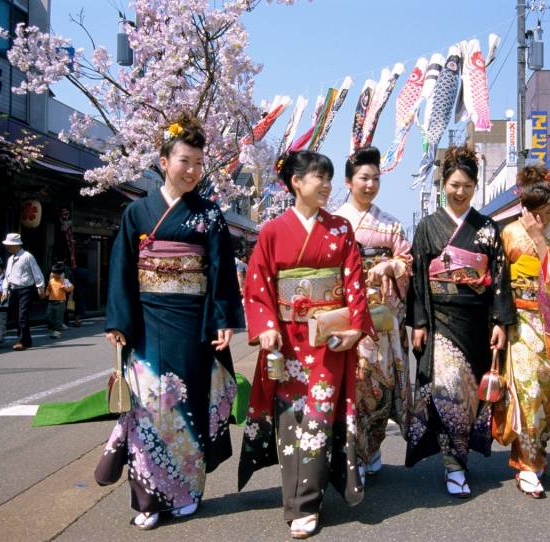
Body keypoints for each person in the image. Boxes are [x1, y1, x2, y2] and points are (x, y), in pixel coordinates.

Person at [94, 113, 245, 530]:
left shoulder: (210, 215)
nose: (193, 170)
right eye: (185, 161)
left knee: (188, 408)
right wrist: (119, 321)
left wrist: (222, 320)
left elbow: (218, 271)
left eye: (199, 162)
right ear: (164, 160)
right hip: (145, 324)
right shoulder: (137, 213)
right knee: (148, 410)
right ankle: (147, 498)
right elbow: (123, 268)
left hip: (193, 325)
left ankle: (187, 492)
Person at [238, 150, 375, 539]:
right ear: (296, 182)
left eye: (330, 179)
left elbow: (354, 283)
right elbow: (257, 285)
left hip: (328, 338)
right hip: (287, 340)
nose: (328, 186)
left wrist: (356, 327)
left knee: (317, 417)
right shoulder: (271, 231)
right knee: (290, 420)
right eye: (320, 178)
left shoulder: (340, 231)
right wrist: (265, 327)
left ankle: (306, 504)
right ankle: (296, 498)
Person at [406, 146, 515, 498]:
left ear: (475, 186)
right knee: (448, 387)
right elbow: (419, 277)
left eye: (467, 185)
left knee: (470, 395)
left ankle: (460, 456)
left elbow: (500, 276)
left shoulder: (486, 228)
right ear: (443, 184)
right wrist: (419, 322)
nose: (460, 191)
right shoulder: (427, 227)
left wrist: (500, 320)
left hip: (477, 321)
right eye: (454, 184)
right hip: (440, 321)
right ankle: (453, 465)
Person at [494, 164, 550, 498]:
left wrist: (539, 240)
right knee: (527, 392)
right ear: (525, 210)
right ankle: (527, 464)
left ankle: (538, 454)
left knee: (549, 394)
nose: (546, 219)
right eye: (540, 214)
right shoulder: (509, 233)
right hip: (521, 322)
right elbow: (500, 282)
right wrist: (498, 321)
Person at [334, 146, 412, 484]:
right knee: (356, 383)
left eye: (376, 179)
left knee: (382, 384)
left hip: (383, 316)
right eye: (363, 178)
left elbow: (407, 261)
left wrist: (391, 264)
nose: (370, 184)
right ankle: (357, 452)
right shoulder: (336, 222)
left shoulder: (391, 224)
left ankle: (373, 445)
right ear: (349, 181)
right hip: (349, 313)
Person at [0, 233, 45, 351]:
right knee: (16, 316)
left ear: (16, 245)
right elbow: (7, 276)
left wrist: (40, 288)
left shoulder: (27, 256)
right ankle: (27, 340)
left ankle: (21, 341)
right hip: (13, 290)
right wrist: (5, 290)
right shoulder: (10, 259)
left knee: (22, 316)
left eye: (9, 245)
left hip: (26, 290)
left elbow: (37, 273)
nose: (7, 247)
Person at [45, 262, 74, 339]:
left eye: (56, 273)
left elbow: (71, 288)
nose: (54, 275)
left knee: (58, 319)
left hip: (61, 302)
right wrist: (47, 293)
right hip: (51, 302)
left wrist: (65, 288)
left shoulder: (65, 280)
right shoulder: (51, 281)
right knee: (48, 317)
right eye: (53, 273)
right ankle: (54, 328)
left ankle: (57, 332)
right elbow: (48, 288)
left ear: (60, 274)